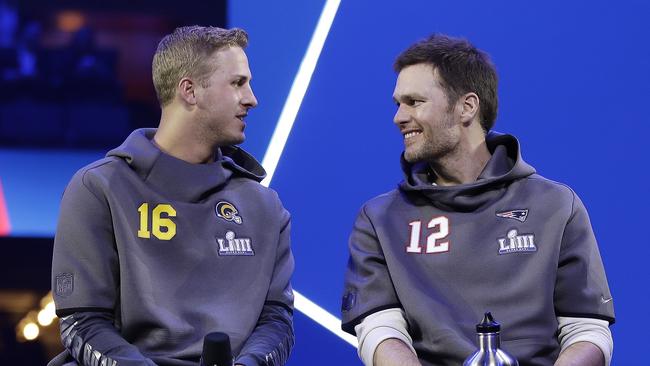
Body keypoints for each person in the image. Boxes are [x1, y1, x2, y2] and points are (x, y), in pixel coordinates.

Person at [341, 34, 614, 366]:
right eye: (398, 103)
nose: (398, 117)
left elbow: (587, 331)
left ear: (467, 107)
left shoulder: (557, 206)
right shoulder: (379, 219)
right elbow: (380, 331)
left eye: (414, 102)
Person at [51, 26, 294, 366]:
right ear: (189, 91)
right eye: (238, 83)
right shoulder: (98, 189)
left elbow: (276, 320)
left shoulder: (265, 207)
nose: (252, 98)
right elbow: (82, 322)